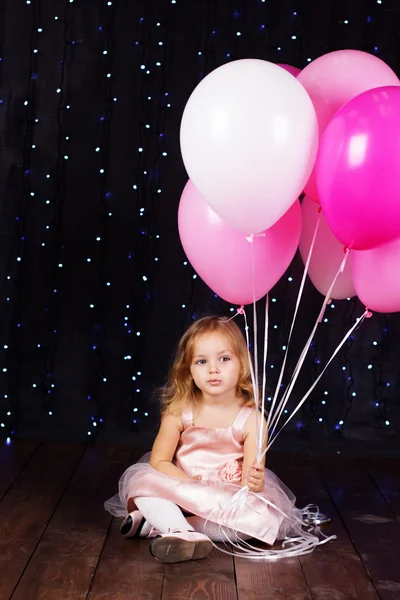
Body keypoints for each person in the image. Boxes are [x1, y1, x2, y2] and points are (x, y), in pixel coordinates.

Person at [104, 316, 327, 563]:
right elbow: (159, 460)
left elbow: (249, 482)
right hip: (181, 486)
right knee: (143, 487)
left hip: (225, 497)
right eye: (201, 361)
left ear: (242, 365)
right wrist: (186, 483)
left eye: (224, 359)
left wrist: (254, 482)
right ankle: (177, 528)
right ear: (188, 371)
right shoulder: (179, 411)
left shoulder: (252, 420)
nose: (213, 369)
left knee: (259, 522)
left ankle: (167, 527)